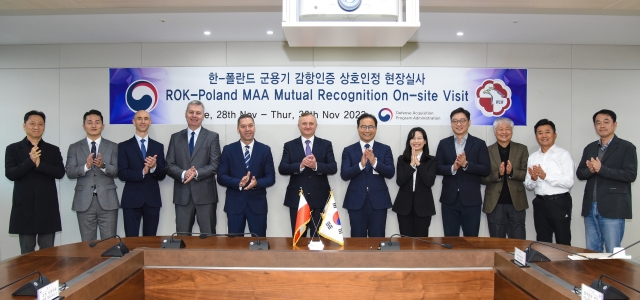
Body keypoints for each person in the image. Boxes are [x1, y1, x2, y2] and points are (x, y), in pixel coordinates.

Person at [576, 109, 637, 252]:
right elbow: (580, 173)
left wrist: (601, 169)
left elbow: (630, 175)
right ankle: (594, 276)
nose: (602, 125)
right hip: (590, 207)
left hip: (613, 207)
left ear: (615, 124)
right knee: (592, 251)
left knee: (612, 251)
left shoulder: (626, 147)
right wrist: (591, 170)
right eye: (598, 123)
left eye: (606, 122)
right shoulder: (590, 148)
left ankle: (614, 276)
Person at [6, 111, 65, 254]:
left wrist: (39, 165)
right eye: (32, 123)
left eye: (40, 124)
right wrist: (30, 162)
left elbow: (60, 172)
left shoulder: (52, 149)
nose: (36, 127)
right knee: (26, 252)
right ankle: (28, 278)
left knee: (48, 254)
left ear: (44, 127)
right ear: (24, 126)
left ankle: (48, 277)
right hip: (24, 207)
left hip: (47, 207)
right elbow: (11, 174)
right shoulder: (13, 149)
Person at [166, 100, 221, 234]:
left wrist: (196, 173)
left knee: (208, 238)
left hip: (206, 196)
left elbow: (215, 164)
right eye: (191, 112)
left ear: (203, 116)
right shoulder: (175, 137)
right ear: (186, 114)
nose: (194, 115)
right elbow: (168, 165)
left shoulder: (212, 137)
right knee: (182, 237)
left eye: (198, 113)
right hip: (182, 195)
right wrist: (184, 173)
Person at [279, 113, 337, 237]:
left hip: (320, 199)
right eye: (304, 123)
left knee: (318, 240)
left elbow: (333, 168)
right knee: (299, 240)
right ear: (299, 126)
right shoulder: (289, 145)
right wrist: (300, 166)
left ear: (316, 125)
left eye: (311, 123)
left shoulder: (326, 144)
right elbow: (282, 168)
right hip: (297, 199)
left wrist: (316, 165)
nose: (308, 126)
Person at [65, 109, 119, 242]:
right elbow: (69, 172)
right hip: (84, 202)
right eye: (89, 122)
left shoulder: (113, 146)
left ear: (103, 125)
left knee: (109, 243)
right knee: (87, 244)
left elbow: (118, 171)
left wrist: (103, 166)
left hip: (108, 201)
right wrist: (86, 167)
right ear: (84, 126)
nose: (93, 125)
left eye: (97, 122)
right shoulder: (74, 147)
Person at [436, 107, 490, 237]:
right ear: (451, 123)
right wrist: (453, 168)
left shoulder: (479, 144)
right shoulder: (443, 144)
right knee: (450, 239)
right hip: (449, 200)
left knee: (471, 240)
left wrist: (466, 165)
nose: (458, 124)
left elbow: (486, 169)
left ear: (469, 122)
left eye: (462, 121)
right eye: (455, 121)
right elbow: (437, 168)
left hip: (471, 200)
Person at [218, 114, 275, 237]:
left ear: (254, 127)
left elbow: (271, 178)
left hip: (257, 206)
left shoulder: (265, 150)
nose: (247, 129)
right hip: (235, 205)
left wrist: (257, 183)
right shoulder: (228, 150)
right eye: (243, 126)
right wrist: (238, 182)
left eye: (250, 125)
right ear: (238, 129)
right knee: (234, 246)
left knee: (259, 244)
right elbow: (221, 177)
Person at [340, 113, 394, 238]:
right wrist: (360, 165)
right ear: (357, 128)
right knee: (357, 240)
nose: (367, 130)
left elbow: (390, 172)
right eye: (363, 127)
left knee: (378, 239)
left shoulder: (385, 149)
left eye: (371, 127)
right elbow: (344, 174)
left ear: (376, 128)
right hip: (356, 201)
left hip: (379, 201)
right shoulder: (349, 150)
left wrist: (374, 162)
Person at [525, 119, 575, 245]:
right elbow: (528, 185)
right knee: (542, 240)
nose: (544, 135)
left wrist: (545, 176)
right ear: (536, 136)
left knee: (562, 240)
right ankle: (543, 265)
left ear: (555, 135)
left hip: (559, 202)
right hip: (540, 203)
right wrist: (534, 179)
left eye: (547, 132)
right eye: (540, 133)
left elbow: (569, 182)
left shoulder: (563, 155)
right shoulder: (533, 157)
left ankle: (564, 265)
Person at [117, 110, 166, 237]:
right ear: (133, 122)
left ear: (150, 122)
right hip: (131, 200)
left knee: (150, 241)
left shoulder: (158, 146)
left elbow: (162, 174)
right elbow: (121, 173)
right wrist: (142, 172)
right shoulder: (123, 146)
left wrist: (154, 167)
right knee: (131, 241)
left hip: (152, 200)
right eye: (139, 118)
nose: (142, 121)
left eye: (145, 118)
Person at [480, 117, 529, 239]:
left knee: (518, 241)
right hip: (494, 203)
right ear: (495, 131)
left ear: (512, 131)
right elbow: (482, 178)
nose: (504, 132)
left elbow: (526, 174)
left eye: (507, 129)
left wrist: (512, 172)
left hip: (516, 202)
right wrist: (498, 174)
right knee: (497, 241)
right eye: (500, 129)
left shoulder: (522, 149)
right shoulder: (487, 150)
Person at [392, 127, 437, 237]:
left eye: (419, 138)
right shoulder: (402, 159)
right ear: (409, 142)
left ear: (425, 141)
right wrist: (411, 165)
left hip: (424, 207)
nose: (416, 141)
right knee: (405, 242)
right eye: (413, 138)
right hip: (404, 206)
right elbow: (400, 181)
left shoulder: (432, 160)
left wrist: (419, 164)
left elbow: (429, 182)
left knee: (421, 242)